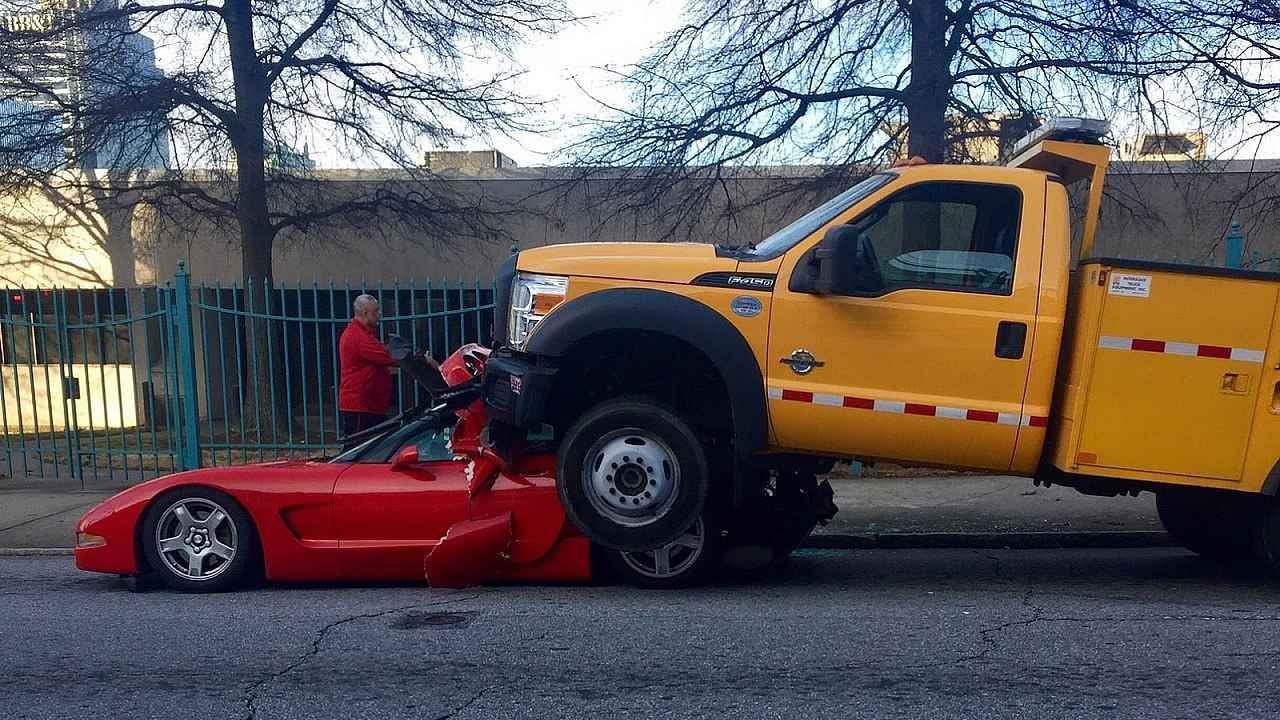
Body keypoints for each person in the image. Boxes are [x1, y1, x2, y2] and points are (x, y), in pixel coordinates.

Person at [339, 294, 397, 437]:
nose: (379, 315)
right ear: (365, 313)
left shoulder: (362, 334)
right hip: (361, 405)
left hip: (369, 404)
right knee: (359, 448)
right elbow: (388, 356)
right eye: (376, 312)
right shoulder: (358, 336)